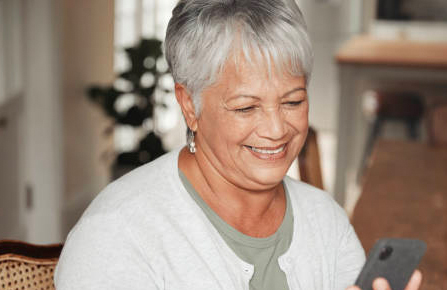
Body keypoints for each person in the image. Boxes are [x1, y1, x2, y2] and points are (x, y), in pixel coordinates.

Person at [54, 0, 422, 289]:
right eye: (246, 107)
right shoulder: (116, 236)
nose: (277, 129)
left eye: (293, 101)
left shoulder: (325, 221)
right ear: (189, 105)